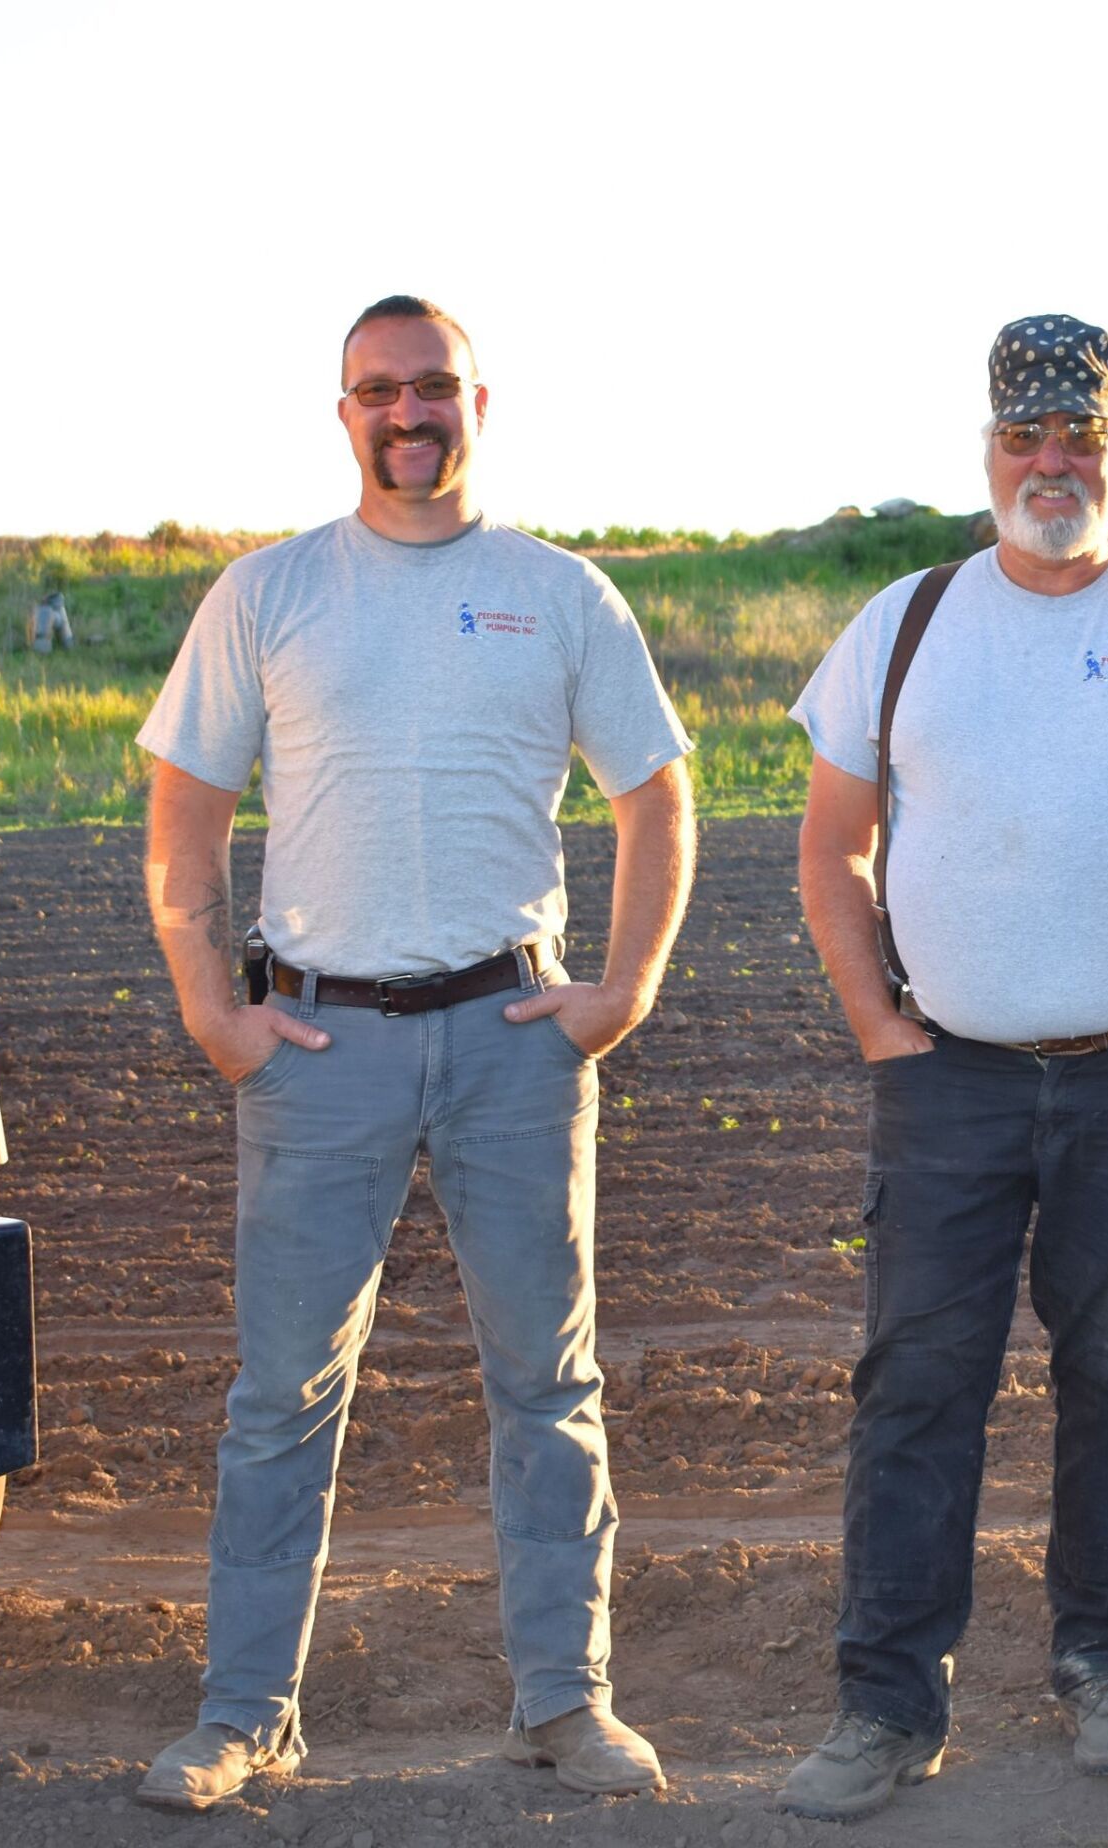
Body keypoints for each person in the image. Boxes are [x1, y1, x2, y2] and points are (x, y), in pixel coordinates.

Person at [133, 295, 695, 1811]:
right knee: (282, 1393)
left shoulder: (562, 596)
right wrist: (212, 1009)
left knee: (547, 1384)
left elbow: (657, 800)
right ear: (344, 415)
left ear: (476, 404)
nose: (407, 413)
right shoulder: (270, 595)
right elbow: (185, 810)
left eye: (431, 386)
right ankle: (245, 1713)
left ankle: (564, 1705)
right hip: (319, 1043)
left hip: (515, 1039)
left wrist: (620, 991)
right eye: (378, 391)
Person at [777, 314, 1108, 1821]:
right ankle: (886, 1707)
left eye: (1080, 438)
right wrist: (885, 1029)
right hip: (947, 1077)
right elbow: (830, 850)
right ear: (987, 454)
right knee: (918, 1386)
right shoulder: (907, 622)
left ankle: (1101, 1666)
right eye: (1027, 438)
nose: (1053, 463)